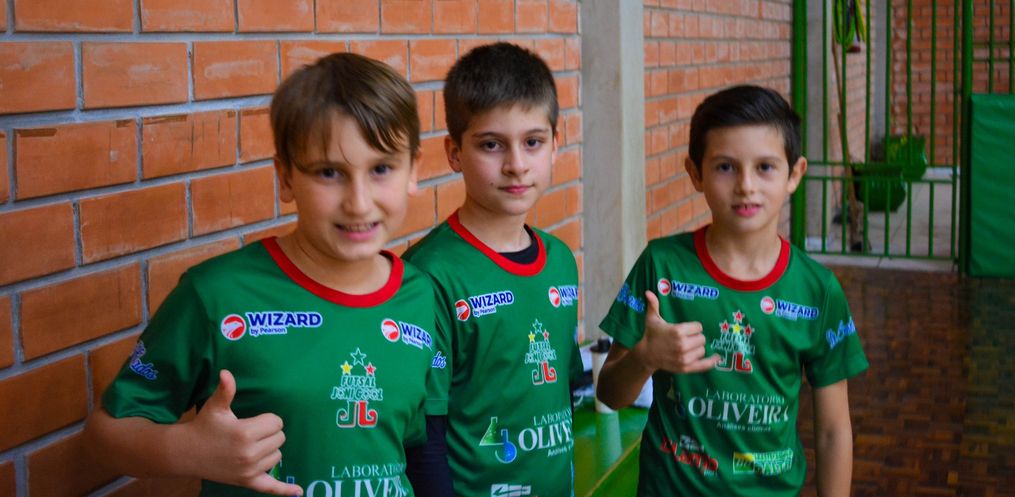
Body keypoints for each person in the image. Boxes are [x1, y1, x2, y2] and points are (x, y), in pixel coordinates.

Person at [84, 53, 448, 497]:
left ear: (414, 170)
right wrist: (188, 450)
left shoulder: (419, 294)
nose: (358, 202)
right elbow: (103, 435)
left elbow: (411, 445)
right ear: (286, 178)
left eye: (381, 169)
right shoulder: (216, 295)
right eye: (329, 172)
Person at [596, 85, 869, 497]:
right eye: (725, 167)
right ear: (695, 173)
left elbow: (832, 430)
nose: (746, 185)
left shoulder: (817, 292)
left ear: (794, 175)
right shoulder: (661, 266)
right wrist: (645, 357)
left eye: (765, 167)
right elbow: (610, 394)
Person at [402, 42, 582, 497]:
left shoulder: (561, 260)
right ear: (454, 153)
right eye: (491, 145)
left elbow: (563, 391)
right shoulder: (428, 276)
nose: (516, 165)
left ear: (555, 145)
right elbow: (423, 439)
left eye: (533, 142)